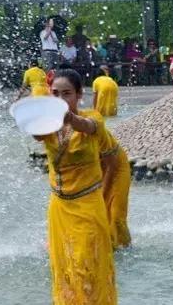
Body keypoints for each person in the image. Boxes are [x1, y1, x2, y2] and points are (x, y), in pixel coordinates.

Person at [35, 69, 117, 304]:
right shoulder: (48, 125)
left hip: (87, 205)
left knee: (86, 265)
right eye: (56, 94)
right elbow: (35, 134)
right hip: (59, 207)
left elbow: (88, 126)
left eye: (67, 94)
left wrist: (69, 117)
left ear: (79, 95)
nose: (61, 99)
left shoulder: (93, 118)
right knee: (64, 266)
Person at [99, 126, 131, 249]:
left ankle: (126, 247)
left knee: (117, 216)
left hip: (117, 168)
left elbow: (111, 166)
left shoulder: (93, 128)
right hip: (98, 168)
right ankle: (110, 243)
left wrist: (102, 194)